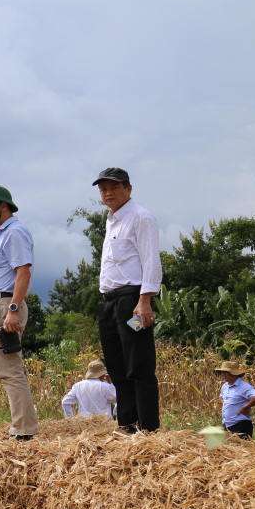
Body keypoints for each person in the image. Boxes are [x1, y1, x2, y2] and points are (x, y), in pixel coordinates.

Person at [92, 167, 162, 432]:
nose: (108, 193)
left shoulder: (140, 218)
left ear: (128, 189)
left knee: (139, 366)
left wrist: (144, 302)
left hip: (132, 303)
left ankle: (149, 430)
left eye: (114, 187)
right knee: (117, 369)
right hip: (109, 305)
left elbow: (151, 262)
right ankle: (128, 427)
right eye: (103, 189)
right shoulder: (111, 220)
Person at [0, 184, 40, 440]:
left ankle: (23, 430)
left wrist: (12, 309)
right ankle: (22, 426)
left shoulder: (14, 232)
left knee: (10, 370)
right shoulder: (4, 234)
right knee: (8, 370)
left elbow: (23, 273)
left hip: (4, 305)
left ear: (3, 206)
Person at [216, 361, 255, 439]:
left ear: (233, 373)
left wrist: (244, 407)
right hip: (227, 425)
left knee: (242, 450)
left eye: (226, 372)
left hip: (240, 425)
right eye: (222, 372)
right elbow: (221, 397)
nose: (223, 374)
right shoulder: (225, 386)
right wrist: (226, 404)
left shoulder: (243, 386)